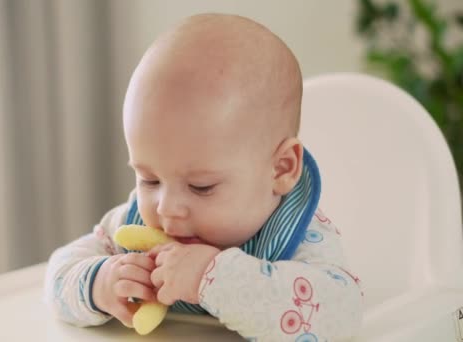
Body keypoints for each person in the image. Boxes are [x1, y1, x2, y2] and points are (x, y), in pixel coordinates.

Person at [44, 13, 363, 340]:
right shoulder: (135, 223)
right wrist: (99, 283)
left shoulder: (298, 237)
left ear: (280, 169)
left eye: (201, 187)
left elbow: (343, 315)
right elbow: (58, 273)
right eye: (150, 180)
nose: (166, 208)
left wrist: (212, 278)